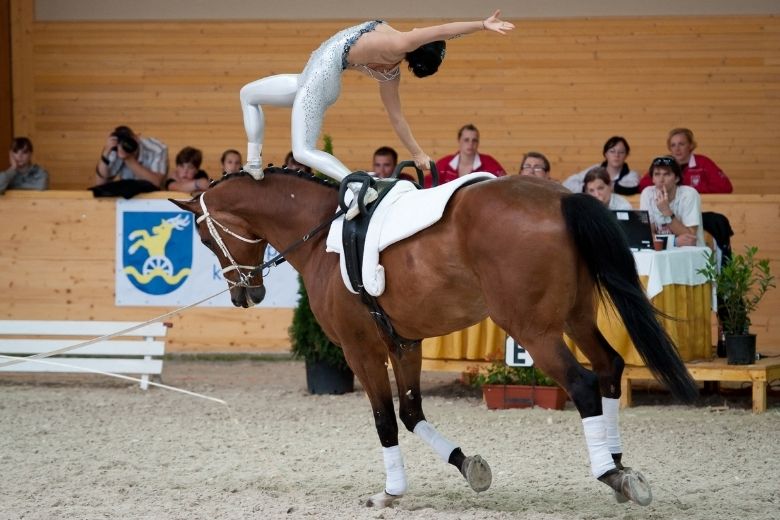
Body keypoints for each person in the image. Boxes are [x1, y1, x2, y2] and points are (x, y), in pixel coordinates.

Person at [239, 10, 514, 218]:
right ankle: (253, 162)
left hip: (319, 80)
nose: (420, 29)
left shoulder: (398, 46)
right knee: (248, 95)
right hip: (309, 79)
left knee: (302, 152)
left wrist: (481, 25)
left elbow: (442, 30)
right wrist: (417, 153)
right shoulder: (392, 62)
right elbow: (397, 117)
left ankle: (359, 188)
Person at [638, 128, 732, 193]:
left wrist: (692, 191)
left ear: (690, 145)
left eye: (681, 144)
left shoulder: (703, 163)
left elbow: (726, 187)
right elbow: (642, 185)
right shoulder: (663, 163)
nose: (677, 149)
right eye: (673, 145)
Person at [639, 155, 704, 247]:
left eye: (667, 174)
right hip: (661, 251)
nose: (661, 179)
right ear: (652, 179)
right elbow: (647, 235)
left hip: (690, 253)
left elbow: (690, 238)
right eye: (657, 174)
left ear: (677, 178)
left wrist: (667, 212)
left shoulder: (689, 194)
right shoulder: (647, 194)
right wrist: (674, 242)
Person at [430, 124, 506, 187]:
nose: (470, 144)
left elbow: (505, 184)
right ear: (459, 140)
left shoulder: (490, 163)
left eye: (474, 140)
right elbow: (428, 187)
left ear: (478, 142)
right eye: (466, 140)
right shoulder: (443, 165)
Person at [94, 125, 168, 187]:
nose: (127, 146)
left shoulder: (156, 148)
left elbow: (156, 183)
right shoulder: (115, 150)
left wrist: (128, 159)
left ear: (137, 137)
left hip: (153, 198)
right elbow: (100, 185)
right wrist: (105, 154)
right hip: (127, 198)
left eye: (129, 141)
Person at [563, 136, 640, 195]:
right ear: (605, 154)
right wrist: (587, 188)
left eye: (621, 152)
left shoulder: (632, 175)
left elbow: (629, 189)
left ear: (626, 155)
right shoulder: (594, 170)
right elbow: (567, 184)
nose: (616, 155)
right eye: (612, 151)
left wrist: (600, 187)